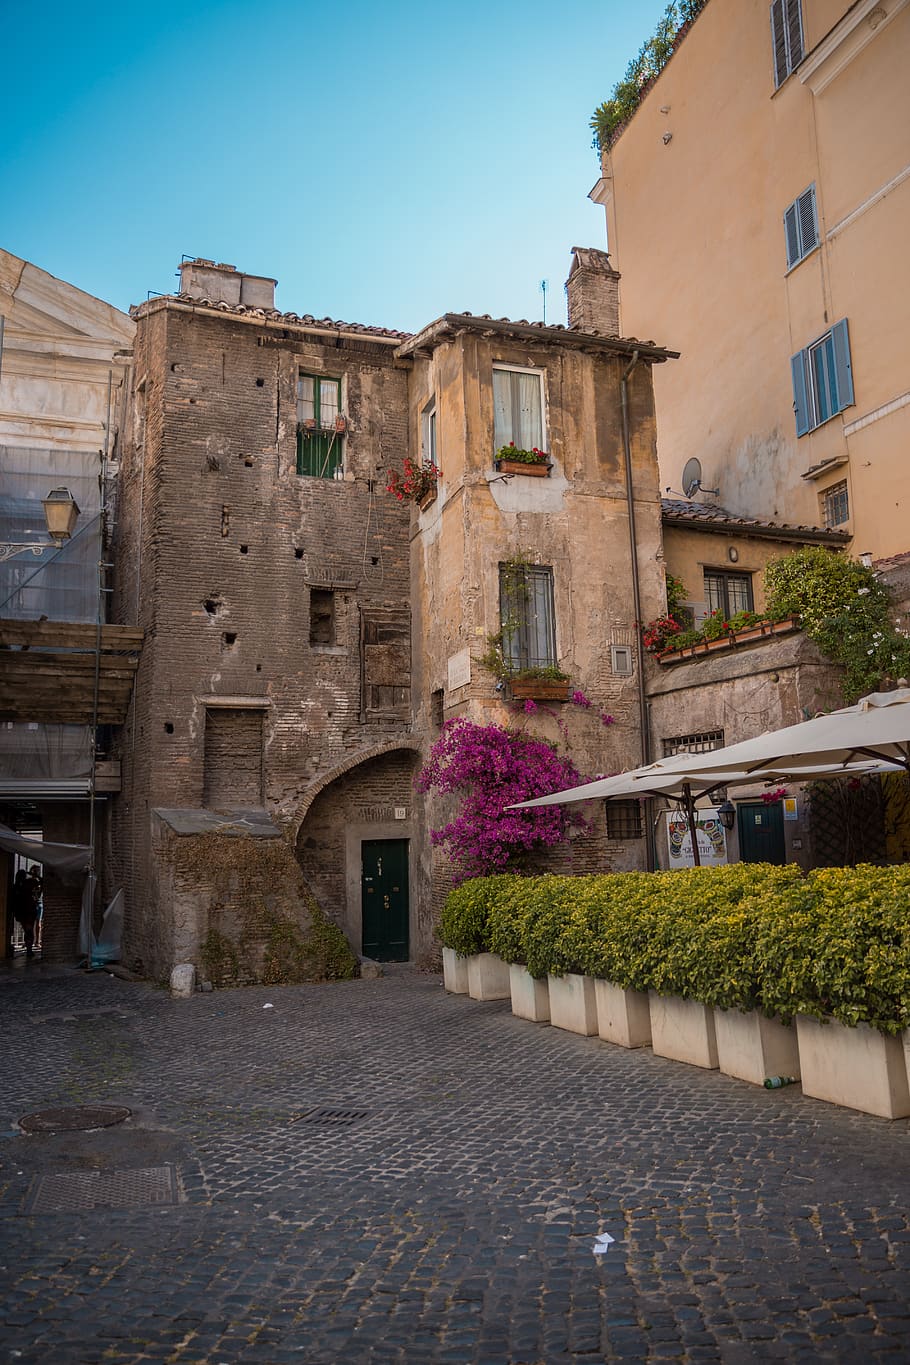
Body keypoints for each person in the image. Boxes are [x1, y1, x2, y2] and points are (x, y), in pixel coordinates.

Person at [12, 869, 39, 958]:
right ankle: (29, 950)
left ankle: (29, 949)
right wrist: (32, 874)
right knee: (29, 931)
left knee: (27, 931)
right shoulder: (29, 883)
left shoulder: (16, 886)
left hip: (21, 912)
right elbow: (40, 881)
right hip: (29, 911)